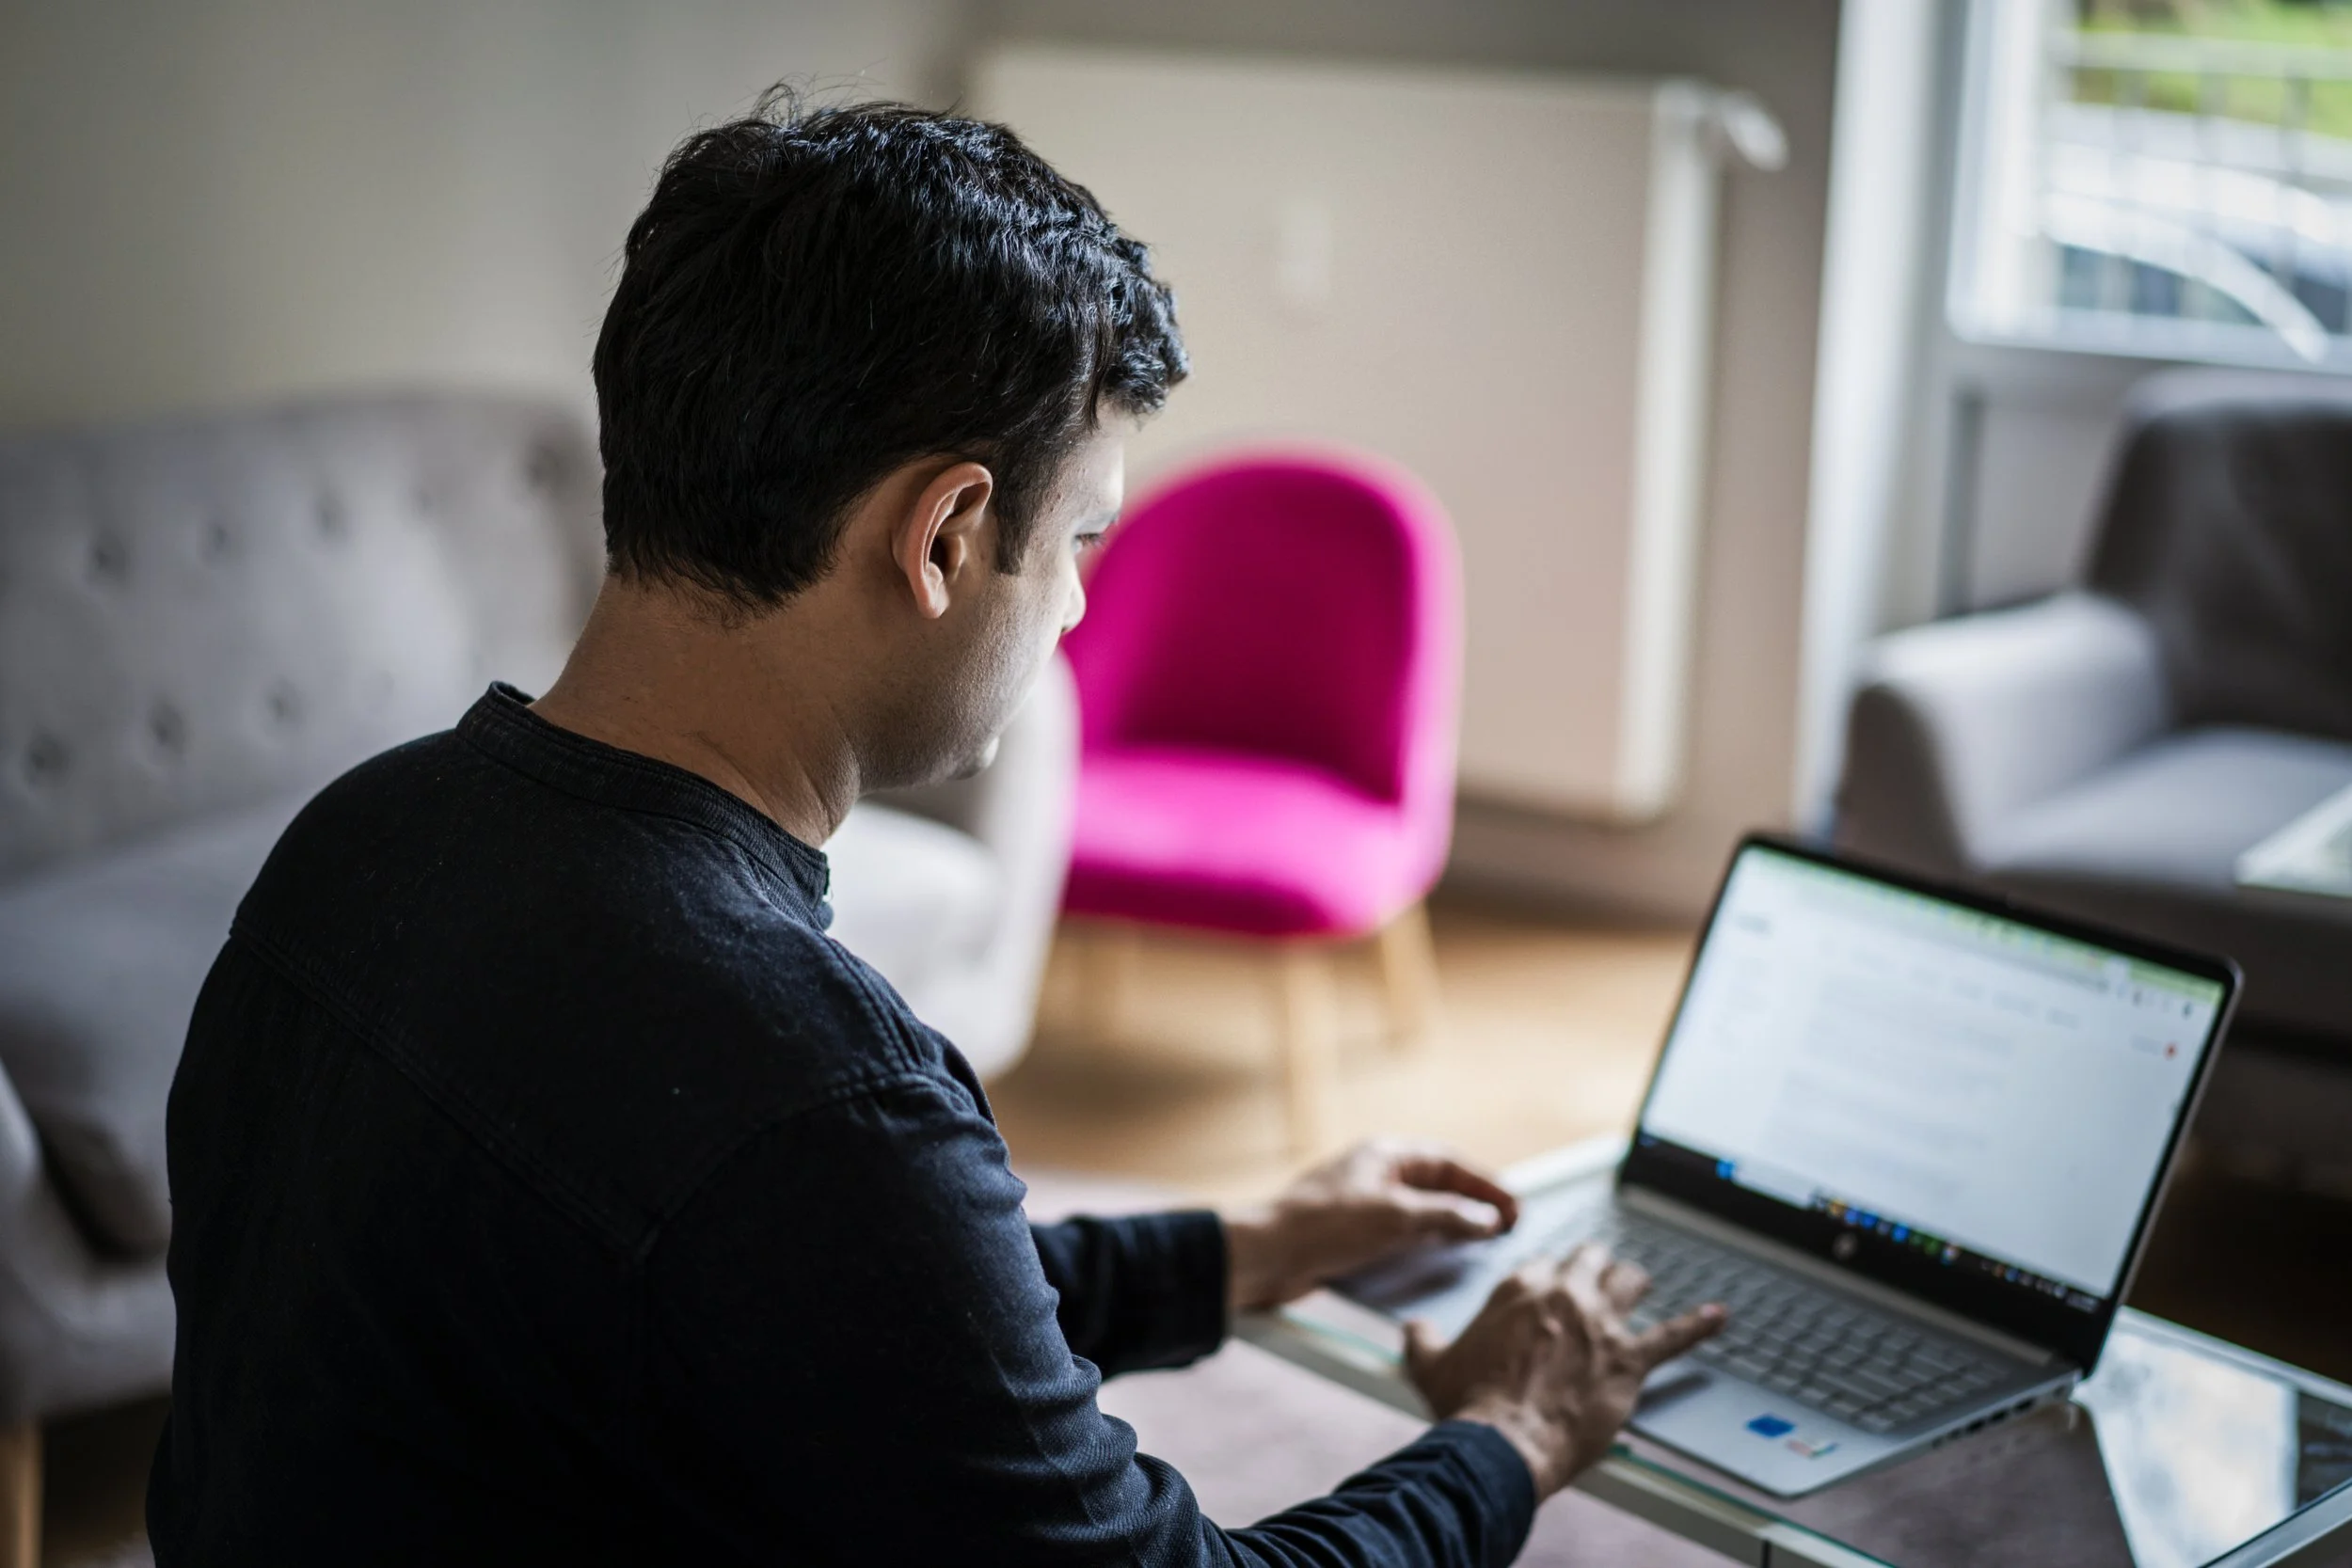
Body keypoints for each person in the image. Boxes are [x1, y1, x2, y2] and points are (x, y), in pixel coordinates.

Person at [147, 95, 1722, 1566]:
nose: (1085, 604)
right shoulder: (808, 1089)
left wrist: (1247, 1244)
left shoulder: (354, 843)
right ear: (949, 534)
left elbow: (828, 1295)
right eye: (1083, 536)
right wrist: (1509, 1436)